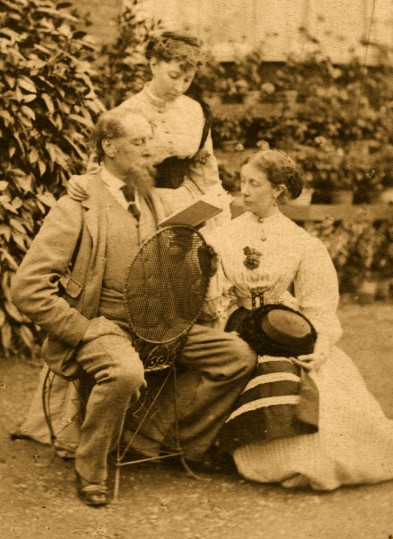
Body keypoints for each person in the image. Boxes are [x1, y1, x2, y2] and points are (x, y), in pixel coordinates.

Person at [11, 108, 256, 506]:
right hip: (104, 326)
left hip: (158, 324)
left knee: (237, 357)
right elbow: (27, 287)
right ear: (109, 147)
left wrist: (198, 258)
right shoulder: (76, 205)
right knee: (125, 372)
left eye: (149, 142)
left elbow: (161, 264)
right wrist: (82, 329)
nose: (149, 151)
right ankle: (91, 468)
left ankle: (169, 441)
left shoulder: (149, 195)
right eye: (139, 142)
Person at [202, 148, 393, 491]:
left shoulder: (301, 242)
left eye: (254, 183)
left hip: (282, 325)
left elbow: (319, 308)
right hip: (236, 322)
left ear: (277, 190)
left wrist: (320, 347)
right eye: (242, 182)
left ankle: (306, 455)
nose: (244, 191)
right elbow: (211, 298)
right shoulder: (223, 235)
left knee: (313, 378)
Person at [67, 30, 233, 227]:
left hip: (187, 205)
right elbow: (99, 171)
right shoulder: (124, 113)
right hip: (139, 207)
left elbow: (206, 171)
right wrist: (82, 183)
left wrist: (221, 215)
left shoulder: (195, 111)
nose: (179, 87)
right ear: (154, 65)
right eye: (173, 76)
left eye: (187, 80)